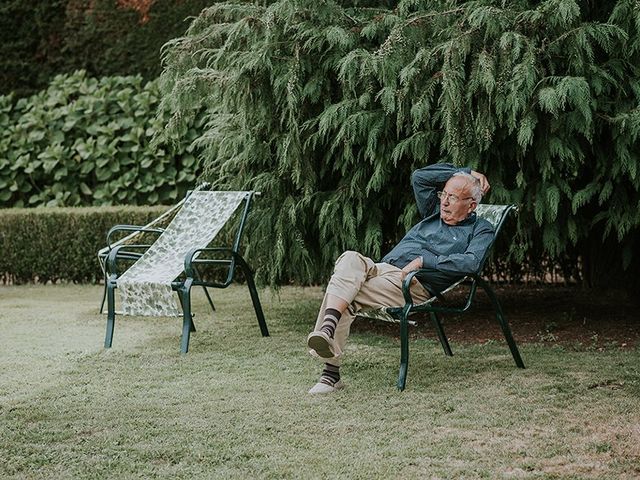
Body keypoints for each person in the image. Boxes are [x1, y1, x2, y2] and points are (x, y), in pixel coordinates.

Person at [306, 162, 493, 394]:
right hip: (383, 268)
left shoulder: (481, 229)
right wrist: (466, 172)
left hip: (412, 283)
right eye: (443, 194)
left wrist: (425, 261)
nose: (444, 202)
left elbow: (472, 262)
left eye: (453, 198)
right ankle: (327, 330)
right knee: (349, 259)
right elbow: (420, 176)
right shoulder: (433, 213)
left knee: (345, 292)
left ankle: (330, 372)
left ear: (471, 205)